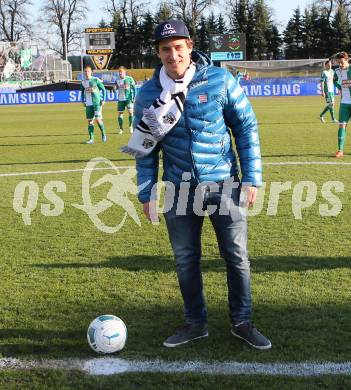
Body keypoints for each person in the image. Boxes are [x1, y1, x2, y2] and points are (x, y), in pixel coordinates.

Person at [125, 19, 271, 350]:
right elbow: (145, 149)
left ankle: (242, 322)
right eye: (165, 49)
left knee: (236, 256)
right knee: (185, 259)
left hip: (223, 184)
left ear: (190, 47)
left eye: (179, 47)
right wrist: (145, 193)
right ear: (158, 52)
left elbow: (246, 127)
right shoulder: (149, 94)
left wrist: (252, 177)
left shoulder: (220, 80)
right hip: (178, 189)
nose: (172, 54)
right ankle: (195, 322)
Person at [333, 52, 351, 157]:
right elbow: (334, 81)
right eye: (338, 63)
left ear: (347, 60)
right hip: (344, 103)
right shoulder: (337, 71)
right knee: (342, 125)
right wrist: (340, 87)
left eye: (341, 62)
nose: (340, 65)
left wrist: (345, 84)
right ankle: (340, 150)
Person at [80, 65, 107, 144]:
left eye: (88, 71)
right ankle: (91, 139)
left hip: (96, 103)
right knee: (90, 121)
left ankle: (103, 133)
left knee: (98, 120)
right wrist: (82, 101)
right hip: (88, 104)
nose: (87, 73)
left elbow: (103, 89)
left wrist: (104, 99)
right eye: (85, 71)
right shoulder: (83, 82)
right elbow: (82, 91)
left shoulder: (95, 80)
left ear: (91, 72)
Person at [115, 66, 136, 134]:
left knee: (130, 112)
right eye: (119, 72)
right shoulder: (117, 80)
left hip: (128, 98)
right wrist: (114, 88)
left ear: (124, 72)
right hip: (121, 99)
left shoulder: (129, 79)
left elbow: (134, 88)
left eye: (121, 72)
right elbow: (115, 87)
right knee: (120, 114)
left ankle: (130, 127)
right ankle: (121, 129)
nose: (120, 73)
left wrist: (134, 97)